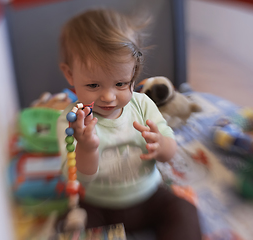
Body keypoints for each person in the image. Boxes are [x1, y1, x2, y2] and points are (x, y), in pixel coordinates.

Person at [56, 8, 202, 240]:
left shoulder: (143, 105)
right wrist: (87, 147)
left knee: (184, 211)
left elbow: (169, 153)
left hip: (150, 198)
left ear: (134, 74)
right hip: (96, 205)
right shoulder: (73, 119)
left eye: (121, 83)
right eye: (94, 85)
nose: (109, 97)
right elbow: (81, 176)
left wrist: (160, 144)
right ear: (70, 75)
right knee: (66, 226)